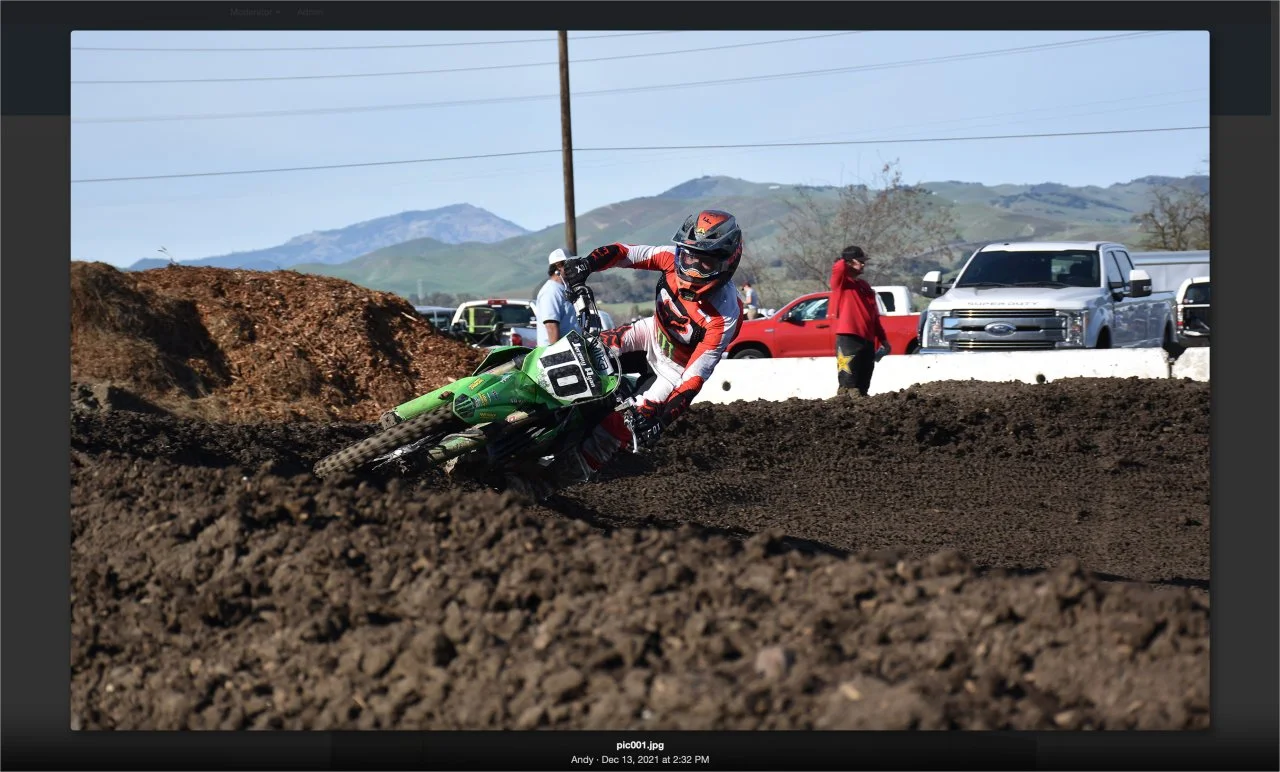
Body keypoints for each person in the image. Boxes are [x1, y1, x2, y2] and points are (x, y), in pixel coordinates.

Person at [510, 209, 745, 497]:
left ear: (727, 262)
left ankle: (546, 484)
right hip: (649, 333)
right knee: (576, 352)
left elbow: (694, 379)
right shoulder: (669, 257)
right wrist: (586, 264)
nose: (693, 269)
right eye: (688, 257)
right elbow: (624, 252)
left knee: (617, 430)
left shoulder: (726, 314)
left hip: (672, 372)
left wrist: (661, 419)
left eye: (705, 263)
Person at [829, 245, 890, 398]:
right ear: (849, 263)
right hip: (849, 337)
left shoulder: (864, 286)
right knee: (848, 383)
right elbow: (838, 269)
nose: (863, 264)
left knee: (864, 381)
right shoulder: (842, 282)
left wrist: (883, 340)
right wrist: (845, 258)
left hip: (867, 339)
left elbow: (873, 316)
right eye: (860, 261)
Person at [534, 248, 581, 347]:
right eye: (570, 264)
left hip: (571, 350)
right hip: (558, 353)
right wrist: (558, 353)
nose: (574, 268)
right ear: (559, 266)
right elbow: (551, 326)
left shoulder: (564, 289)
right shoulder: (551, 291)